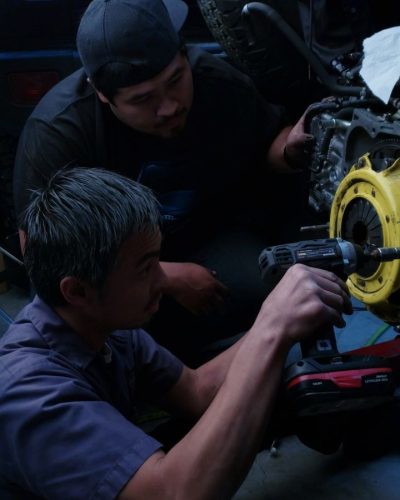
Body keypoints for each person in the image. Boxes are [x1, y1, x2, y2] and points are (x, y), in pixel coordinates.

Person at [0, 167, 351, 499]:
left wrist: (281, 319)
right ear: (77, 291)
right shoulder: (31, 398)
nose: (163, 280)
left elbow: (196, 391)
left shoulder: (103, 325)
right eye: (145, 269)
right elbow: (175, 494)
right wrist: (272, 330)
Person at [13, 0, 313, 365]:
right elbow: (43, 256)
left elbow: (266, 143)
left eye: (175, 80)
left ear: (184, 57)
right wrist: (162, 276)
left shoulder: (215, 81)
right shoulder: (60, 131)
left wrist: (292, 147)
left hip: (202, 243)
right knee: (93, 339)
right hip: (113, 270)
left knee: (272, 286)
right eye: (143, 99)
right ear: (103, 94)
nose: (169, 106)